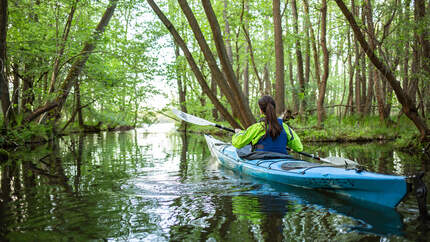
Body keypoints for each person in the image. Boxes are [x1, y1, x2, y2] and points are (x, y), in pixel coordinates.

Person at [232, 95, 303, 154]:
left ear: (261, 110)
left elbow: (238, 143)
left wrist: (238, 133)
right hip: (282, 159)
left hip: (261, 160)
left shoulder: (258, 127)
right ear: (274, 108)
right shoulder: (285, 127)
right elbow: (299, 148)